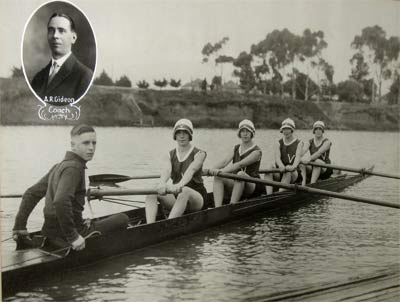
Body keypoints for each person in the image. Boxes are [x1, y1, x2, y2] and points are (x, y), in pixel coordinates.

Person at [12, 125, 128, 251]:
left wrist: (19, 226)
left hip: (49, 233)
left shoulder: (59, 166)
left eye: (94, 143)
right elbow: (61, 201)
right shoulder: (74, 168)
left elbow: (31, 193)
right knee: (123, 218)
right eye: (85, 143)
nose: (91, 148)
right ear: (73, 145)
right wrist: (73, 237)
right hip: (70, 235)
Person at [145, 119, 207, 223]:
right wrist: (161, 183)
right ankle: (149, 226)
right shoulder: (169, 155)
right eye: (179, 133)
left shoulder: (200, 154)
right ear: (175, 135)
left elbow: (191, 170)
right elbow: (167, 170)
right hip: (177, 196)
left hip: (197, 199)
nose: (182, 136)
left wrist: (180, 184)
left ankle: (169, 226)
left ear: (190, 135)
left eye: (185, 133)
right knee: (152, 191)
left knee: (185, 190)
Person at [31, 13, 93, 104]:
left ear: (73, 38)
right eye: (51, 30)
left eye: (61, 31)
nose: (55, 36)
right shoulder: (38, 77)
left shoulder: (85, 76)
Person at [212, 119, 264, 207]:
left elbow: (239, 165)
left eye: (248, 131)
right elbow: (224, 162)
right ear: (239, 134)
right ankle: (218, 208)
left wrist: (221, 172)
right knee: (218, 177)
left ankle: (232, 206)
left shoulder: (257, 152)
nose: (245, 134)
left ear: (252, 133)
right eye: (242, 131)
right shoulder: (236, 148)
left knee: (240, 174)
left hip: (253, 186)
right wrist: (212, 169)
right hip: (237, 182)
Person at [265, 118, 303, 194]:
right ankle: (268, 195)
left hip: (293, 172)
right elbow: (277, 158)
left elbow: (297, 158)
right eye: (284, 129)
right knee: (268, 169)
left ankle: (279, 194)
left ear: (292, 130)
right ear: (282, 130)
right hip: (280, 171)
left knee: (288, 172)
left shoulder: (299, 143)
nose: (286, 131)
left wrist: (293, 166)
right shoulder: (278, 143)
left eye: (288, 129)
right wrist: (281, 166)